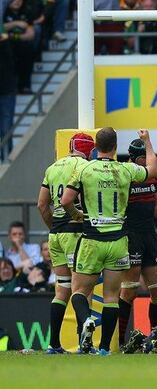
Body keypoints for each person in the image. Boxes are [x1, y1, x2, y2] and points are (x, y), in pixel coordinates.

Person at [61, 127, 157, 355]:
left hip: (92, 239)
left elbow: (66, 200)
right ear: (115, 148)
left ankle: (86, 320)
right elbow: (152, 170)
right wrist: (147, 141)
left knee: (79, 291)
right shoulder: (125, 170)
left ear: (96, 147)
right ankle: (104, 348)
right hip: (118, 241)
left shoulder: (85, 170)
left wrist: (76, 214)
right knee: (112, 297)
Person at [118, 139, 157, 351]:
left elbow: (156, 200)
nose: (151, 162)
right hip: (130, 235)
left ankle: (155, 340)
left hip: (150, 236)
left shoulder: (150, 175)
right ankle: (118, 341)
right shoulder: (125, 174)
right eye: (147, 158)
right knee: (129, 291)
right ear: (136, 158)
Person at [36, 132, 95, 354]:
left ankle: (53, 344)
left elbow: (42, 205)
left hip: (56, 235)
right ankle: (84, 343)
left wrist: (53, 226)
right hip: (76, 232)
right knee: (82, 289)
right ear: (90, 151)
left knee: (62, 289)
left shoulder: (52, 168)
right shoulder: (84, 167)